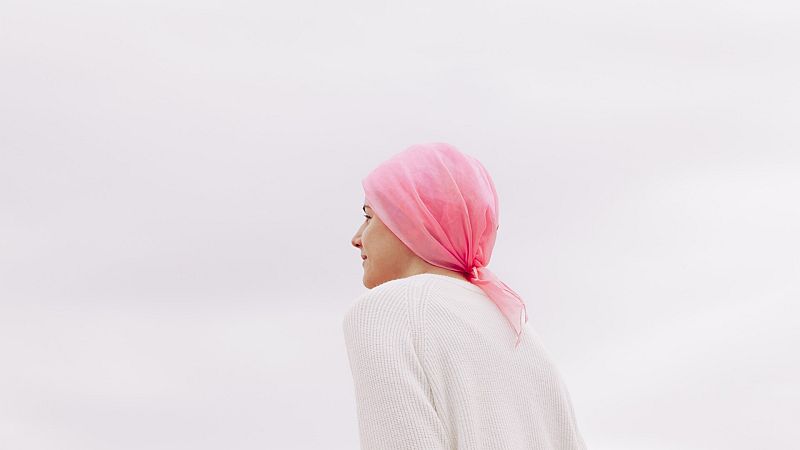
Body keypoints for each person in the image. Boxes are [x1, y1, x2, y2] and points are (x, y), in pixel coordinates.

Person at [343, 142, 588, 450]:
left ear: (411, 220)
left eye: (369, 216)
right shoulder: (518, 329)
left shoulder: (385, 310)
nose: (356, 238)